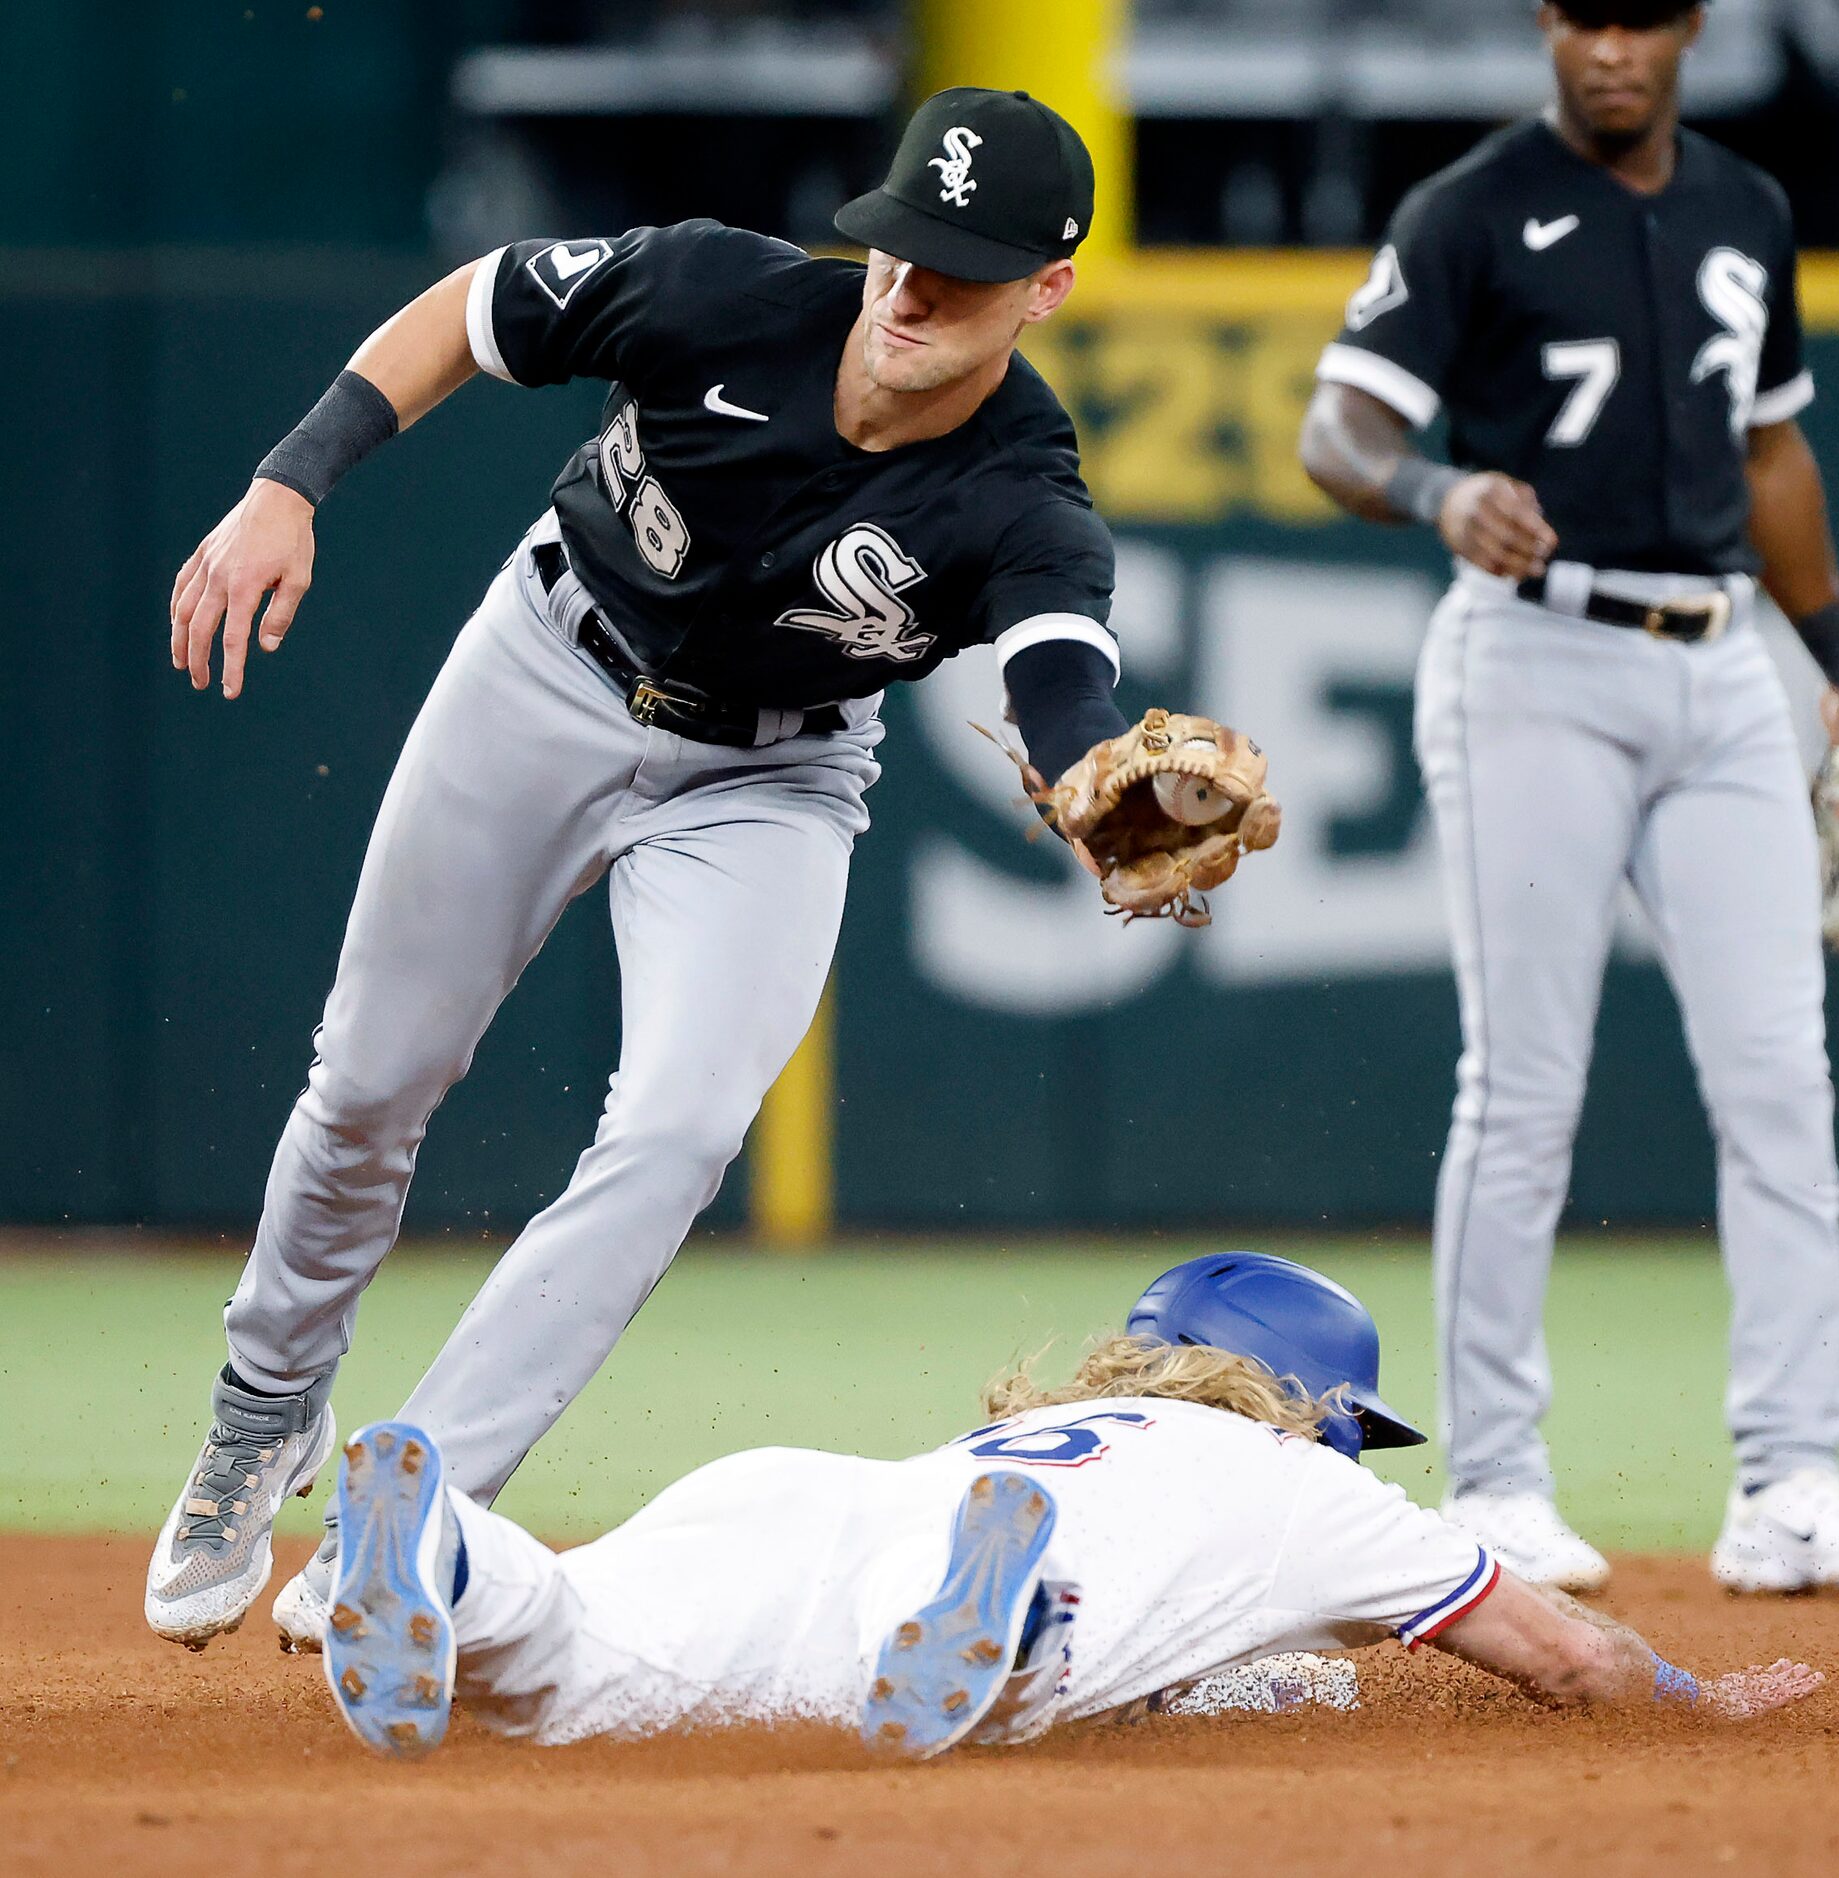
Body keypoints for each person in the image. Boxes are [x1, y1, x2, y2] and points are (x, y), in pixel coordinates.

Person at [145, 87, 1153, 1652]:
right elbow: (473, 313)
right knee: (370, 1080)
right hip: (546, 662)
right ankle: (261, 1406)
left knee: (680, 1128)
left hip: (773, 773)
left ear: (1048, 289)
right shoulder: (719, 289)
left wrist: (1099, 778)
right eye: (902, 245)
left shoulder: (1026, 493)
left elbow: (1063, 674)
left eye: (965, 266)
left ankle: (409, 1502)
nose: (913, 287)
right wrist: (292, 477)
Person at [1298, 2, 1839, 1594]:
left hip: (1723, 663)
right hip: (1535, 657)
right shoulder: (1467, 207)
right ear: (1548, 26)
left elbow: (1774, 452)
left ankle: (1791, 1481)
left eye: (1642, 16)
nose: (1611, 46)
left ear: (1689, 30)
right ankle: (1500, 1484)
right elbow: (1339, 429)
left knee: (1783, 1079)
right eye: (1585, 13)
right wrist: (1439, 487)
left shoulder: (1748, 207)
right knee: (1525, 1085)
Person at [315, 1252, 1821, 1761]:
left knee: (576, 1661)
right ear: (1314, 1399)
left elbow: (1244, 1677)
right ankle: (999, 1622)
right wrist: (1709, 1697)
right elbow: (1567, 1655)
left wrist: (1302, 1688)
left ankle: (448, 1557)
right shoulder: (1303, 1483)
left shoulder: (1072, 1417)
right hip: (985, 1572)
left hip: (797, 1495)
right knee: (952, 1656)